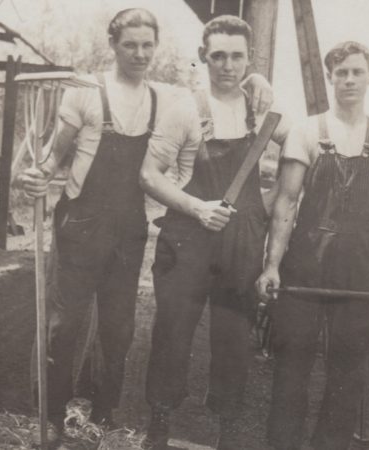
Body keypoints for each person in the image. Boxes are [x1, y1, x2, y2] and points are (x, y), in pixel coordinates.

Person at [17, 8, 273, 439]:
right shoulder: (85, 92)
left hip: (128, 228)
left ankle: (103, 415)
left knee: (118, 329)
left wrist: (256, 79)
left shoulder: (162, 97)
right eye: (130, 44)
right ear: (113, 45)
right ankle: (53, 416)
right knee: (65, 325)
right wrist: (35, 176)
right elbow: (50, 157)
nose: (139, 53)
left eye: (147, 45)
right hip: (81, 222)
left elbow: (222, 79)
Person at [255, 41, 369, 450]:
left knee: (347, 373)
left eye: (356, 72)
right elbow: (286, 203)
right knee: (292, 366)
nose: (348, 79)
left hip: (359, 275)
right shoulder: (308, 131)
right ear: (330, 77)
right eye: (341, 72)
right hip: (305, 271)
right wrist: (272, 265)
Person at [139, 15, 290, 450]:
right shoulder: (185, 109)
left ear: (249, 60)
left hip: (239, 243)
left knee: (233, 339)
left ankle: (227, 430)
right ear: (204, 57)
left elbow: (305, 150)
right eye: (218, 55)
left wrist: (268, 199)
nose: (227, 65)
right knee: (171, 333)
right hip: (187, 238)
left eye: (237, 57)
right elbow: (149, 175)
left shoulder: (261, 111)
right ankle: (160, 425)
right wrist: (195, 207)